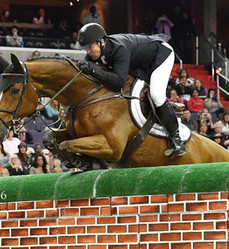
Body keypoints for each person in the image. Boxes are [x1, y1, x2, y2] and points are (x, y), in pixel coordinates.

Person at [77, 23, 185, 157]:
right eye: (86, 48)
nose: (88, 52)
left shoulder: (119, 48)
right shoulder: (97, 52)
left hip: (160, 55)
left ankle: (177, 140)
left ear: (102, 42)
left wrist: (92, 70)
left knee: (156, 94)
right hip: (139, 63)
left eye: (90, 47)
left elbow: (119, 82)